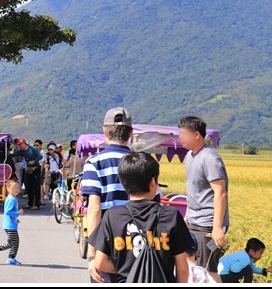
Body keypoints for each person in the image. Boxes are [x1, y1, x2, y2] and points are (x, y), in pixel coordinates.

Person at [88, 151, 194, 283]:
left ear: (123, 182)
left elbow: (101, 262)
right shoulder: (171, 215)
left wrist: (129, 268)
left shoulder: (113, 216)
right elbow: (183, 269)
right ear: (153, 181)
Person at [83, 106, 134, 283]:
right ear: (131, 133)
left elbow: (95, 209)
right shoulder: (143, 162)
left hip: (106, 242)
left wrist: (91, 254)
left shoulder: (94, 162)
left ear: (105, 132)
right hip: (137, 240)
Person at [178, 115, 229, 282]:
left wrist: (217, 228)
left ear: (196, 135)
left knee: (206, 269)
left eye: (183, 133)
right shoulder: (190, 156)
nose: (180, 137)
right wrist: (187, 216)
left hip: (207, 224)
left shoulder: (210, 158)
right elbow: (194, 190)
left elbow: (220, 193)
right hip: (193, 221)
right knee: (193, 265)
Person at [0, 178, 23, 266]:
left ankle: (9, 257)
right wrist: (18, 213)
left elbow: (10, 213)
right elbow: (7, 212)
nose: (17, 190)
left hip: (11, 224)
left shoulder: (12, 198)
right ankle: (5, 254)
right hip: (9, 225)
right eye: (14, 188)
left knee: (12, 242)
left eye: (18, 188)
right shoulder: (11, 199)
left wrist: (15, 218)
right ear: (8, 188)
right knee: (13, 242)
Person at [13, 138, 43, 210]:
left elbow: (40, 156)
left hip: (35, 168)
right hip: (28, 169)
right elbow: (14, 155)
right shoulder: (21, 151)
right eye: (19, 145)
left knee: (36, 187)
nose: (20, 146)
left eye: (20, 145)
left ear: (24, 143)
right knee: (29, 186)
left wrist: (34, 161)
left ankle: (36, 204)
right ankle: (30, 204)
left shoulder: (32, 149)